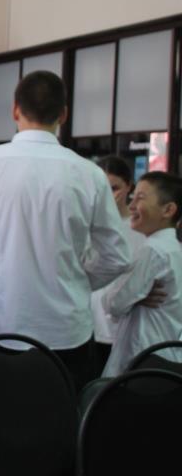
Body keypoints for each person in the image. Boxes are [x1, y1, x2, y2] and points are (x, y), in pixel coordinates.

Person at [0, 70, 132, 392]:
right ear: (64, 115)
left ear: (15, 110)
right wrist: (79, 280)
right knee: (62, 418)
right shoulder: (88, 173)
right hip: (67, 328)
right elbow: (117, 256)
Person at [102, 172, 182, 376]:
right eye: (133, 197)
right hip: (165, 354)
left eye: (140, 198)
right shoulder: (174, 247)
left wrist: (129, 295)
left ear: (168, 210)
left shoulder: (153, 250)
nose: (131, 206)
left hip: (143, 358)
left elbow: (114, 303)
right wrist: (135, 296)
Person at [90, 156, 146, 372]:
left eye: (114, 188)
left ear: (129, 186)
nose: (108, 194)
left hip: (125, 323)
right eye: (102, 187)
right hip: (88, 322)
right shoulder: (85, 223)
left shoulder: (140, 228)